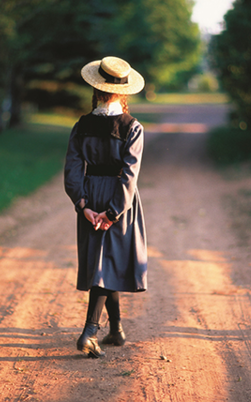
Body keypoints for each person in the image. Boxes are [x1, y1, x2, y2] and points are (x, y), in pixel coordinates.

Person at [64, 56, 148, 358]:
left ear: (95, 88)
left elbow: (72, 170)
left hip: (90, 195)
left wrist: (82, 204)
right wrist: (113, 212)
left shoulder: (81, 125)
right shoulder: (132, 127)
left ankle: (116, 330)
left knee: (105, 263)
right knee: (105, 264)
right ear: (122, 91)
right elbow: (129, 175)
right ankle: (89, 331)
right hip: (117, 199)